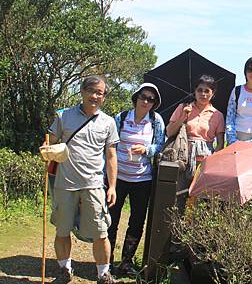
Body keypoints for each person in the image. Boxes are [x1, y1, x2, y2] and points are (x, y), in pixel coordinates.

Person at [40, 75, 119, 284]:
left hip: (94, 185)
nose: (94, 96)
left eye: (99, 93)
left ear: (104, 97)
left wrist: (112, 186)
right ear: (82, 92)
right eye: (91, 91)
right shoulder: (63, 116)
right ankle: (64, 271)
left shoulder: (108, 122)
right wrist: (46, 150)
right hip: (65, 184)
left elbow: (111, 156)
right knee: (62, 229)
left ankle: (103, 274)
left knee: (101, 232)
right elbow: (49, 143)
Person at [108, 83, 165, 276]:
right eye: (143, 97)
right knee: (110, 220)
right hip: (118, 178)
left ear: (154, 103)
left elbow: (160, 144)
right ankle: (106, 262)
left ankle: (126, 261)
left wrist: (147, 150)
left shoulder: (156, 121)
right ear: (136, 97)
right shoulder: (122, 117)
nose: (146, 101)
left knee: (136, 221)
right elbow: (110, 145)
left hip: (142, 179)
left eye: (151, 99)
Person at [167, 75, 225, 175]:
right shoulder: (182, 108)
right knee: (179, 190)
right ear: (195, 91)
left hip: (205, 162)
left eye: (207, 91)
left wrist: (212, 160)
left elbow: (220, 143)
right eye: (200, 90)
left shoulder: (217, 115)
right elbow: (169, 132)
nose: (203, 94)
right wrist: (183, 117)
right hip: (181, 159)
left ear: (213, 93)